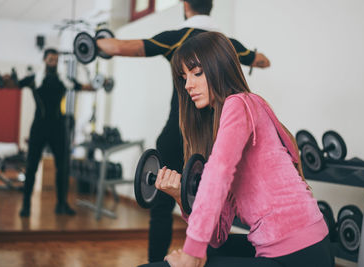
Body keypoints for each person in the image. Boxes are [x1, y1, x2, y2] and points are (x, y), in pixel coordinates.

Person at [139, 31, 334, 267]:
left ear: (218, 68)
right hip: (277, 248)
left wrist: (192, 254)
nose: (188, 84)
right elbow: (218, 235)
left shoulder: (240, 103)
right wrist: (181, 195)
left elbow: (217, 175)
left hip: (301, 254)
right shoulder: (220, 132)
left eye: (197, 73)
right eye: (184, 77)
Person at [96, 0, 270, 262]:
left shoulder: (177, 38)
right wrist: (253, 57)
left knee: (161, 207)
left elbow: (121, 47)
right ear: (210, 7)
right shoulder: (225, 44)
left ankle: (158, 262)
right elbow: (263, 61)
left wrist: (93, 43)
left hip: (176, 134)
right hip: (213, 136)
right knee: (214, 203)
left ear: (186, 6)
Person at [19, 48, 78, 217]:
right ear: (44, 60)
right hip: (39, 127)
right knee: (31, 167)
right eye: (51, 59)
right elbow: (15, 84)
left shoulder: (63, 80)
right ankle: (26, 206)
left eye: (56, 60)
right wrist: (6, 81)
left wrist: (99, 84)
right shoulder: (34, 79)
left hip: (58, 128)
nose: (54, 62)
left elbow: (83, 86)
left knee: (63, 167)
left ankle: (62, 204)